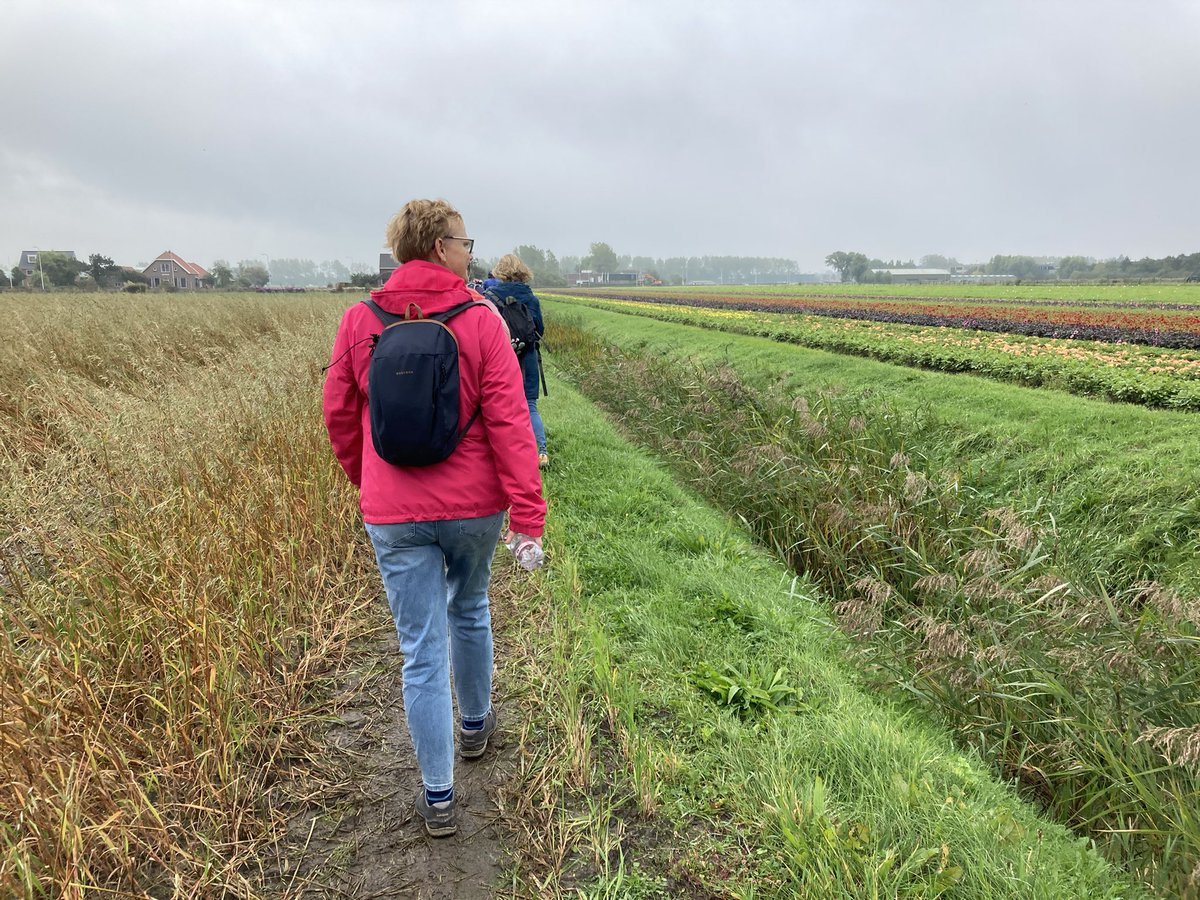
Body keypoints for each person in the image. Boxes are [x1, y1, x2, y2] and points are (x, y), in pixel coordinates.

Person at [322, 199, 546, 838]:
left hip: (394, 512)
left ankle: (439, 797)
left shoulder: (358, 320)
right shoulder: (480, 320)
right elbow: (509, 424)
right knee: (470, 609)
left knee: (420, 650)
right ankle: (475, 729)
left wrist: (369, 483)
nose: (470, 251)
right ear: (443, 247)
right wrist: (527, 514)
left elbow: (338, 414)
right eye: (465, 242)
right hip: (475, 505)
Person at [486, 254, 549, 466]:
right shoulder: (531, 297)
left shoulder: (490, 296)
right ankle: (540, 451)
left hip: (500, 358)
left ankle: (508, 454)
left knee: (501, 407)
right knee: (529, 405)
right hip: (528, 356)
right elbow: (538, 329)